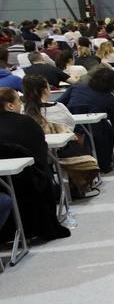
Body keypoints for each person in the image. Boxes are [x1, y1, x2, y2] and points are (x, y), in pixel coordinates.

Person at [0, 87, 71, 241]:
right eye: (19, 101)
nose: (21, 105)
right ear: (10, 105)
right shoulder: (27, 123)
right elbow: (41, 155)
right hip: (31, 185)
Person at [22, 74, 100, 198]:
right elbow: (70, 125)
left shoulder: (24, 112)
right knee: (79, 136)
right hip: (63, 151)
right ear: (45, 90)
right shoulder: (58, 107)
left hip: (38, 155)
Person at [58, 66, 114, 173]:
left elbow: (60, 103)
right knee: (108, 130)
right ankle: (104, 163)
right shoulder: (108, 97)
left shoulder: (77, 86)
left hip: (71, 126)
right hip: (95, 128)